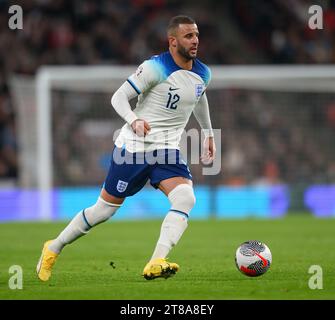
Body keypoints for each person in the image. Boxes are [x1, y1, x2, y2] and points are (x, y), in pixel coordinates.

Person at [37, 15, 216, 281]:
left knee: (186, 198)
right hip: (133, 149)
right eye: (188, 36)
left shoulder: (203, 73)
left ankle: (157, 260)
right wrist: (134, 120)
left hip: (167, 149)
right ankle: (53, 247)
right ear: (172, 41)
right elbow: (118, 96)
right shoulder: (154, 68)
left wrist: (208, 133)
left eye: (197, 35)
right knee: (104, 210)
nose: (195, 40)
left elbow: (198, 97)